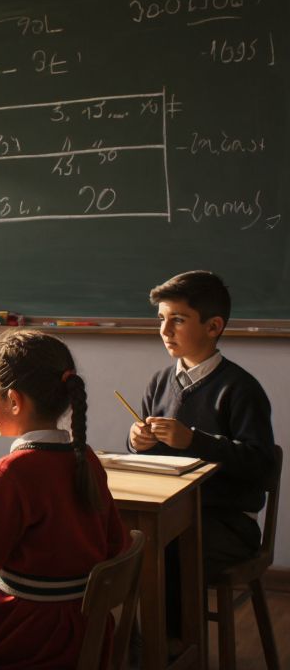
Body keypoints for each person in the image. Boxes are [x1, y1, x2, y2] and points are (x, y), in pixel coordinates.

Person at [0, 330, 127, 669]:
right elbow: (117, 544)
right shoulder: (84, 457)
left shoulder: (13, 471)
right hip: (80, 624)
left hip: (28, 630)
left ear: (14, 401)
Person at [128, 270, 274, 633]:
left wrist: (195, 441)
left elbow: (261, 466)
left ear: (213, 326)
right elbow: (146, 462)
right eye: (161, 319)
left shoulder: (240, 388)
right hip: (168, 512)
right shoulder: (159, 382)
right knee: (120, 543)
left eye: (178, 320)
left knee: (166, 550)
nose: (165, 331)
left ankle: (175, 649)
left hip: (225, 523)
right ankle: (135, 644)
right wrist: (137, 442)